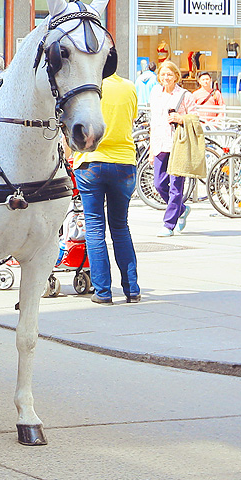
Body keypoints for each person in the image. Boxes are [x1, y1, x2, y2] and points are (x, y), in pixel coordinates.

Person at [75, 70, 141, 305]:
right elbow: (130, 120)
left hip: (91, 162)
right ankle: (132, 289)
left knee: (94, 226)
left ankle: (103, 292)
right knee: (120, 226)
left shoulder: (87, 87)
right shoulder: (129, 87)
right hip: (124, 162)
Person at [147, 61, 194, 237]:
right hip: (160, 144)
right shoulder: (155, 93)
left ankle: (169, 224)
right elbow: (154, 122)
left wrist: (181, 118)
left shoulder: (184, 95)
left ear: (176, 76)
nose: (166, 78)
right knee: (159, 184)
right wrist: (152, 148)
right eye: (163, 74)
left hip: (178, 144)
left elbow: (195, 117)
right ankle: (181, 209)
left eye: (169, 75)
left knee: (176, 185)